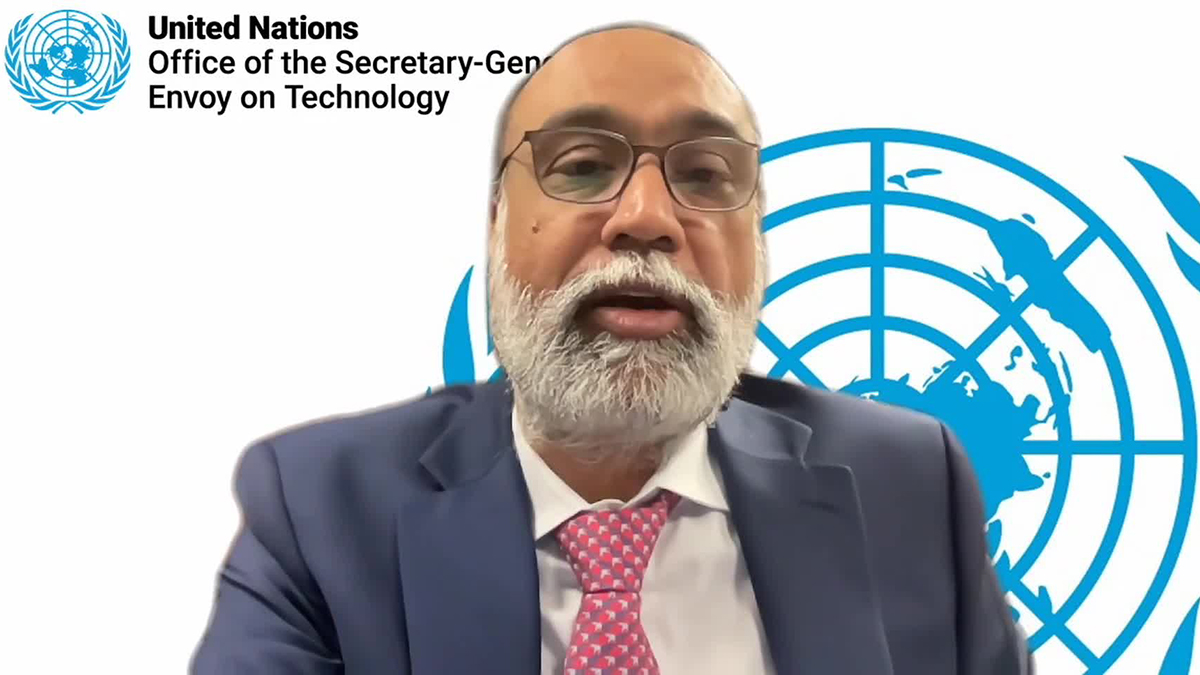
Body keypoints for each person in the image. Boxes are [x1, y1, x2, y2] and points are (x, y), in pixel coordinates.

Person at [191, 22, 1034, 675]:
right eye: (584, 165)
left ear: (757, 242)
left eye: (705, 176)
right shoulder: (319, 511)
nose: (647, 218)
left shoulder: (911, 485)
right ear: (496, 225)